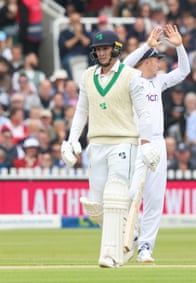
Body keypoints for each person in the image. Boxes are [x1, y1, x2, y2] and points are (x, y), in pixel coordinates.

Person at [60, 30, 160, 268]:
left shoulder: (131, 76)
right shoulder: (87, 76)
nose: (102, 53)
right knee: (96, 206)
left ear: (115, 49)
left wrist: (146, 144)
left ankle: (111, 255)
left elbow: (144, 113)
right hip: (96, 144)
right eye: (98, 49)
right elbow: (81, 110)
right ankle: (128, 234)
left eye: (106, 48)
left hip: (123, 142)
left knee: (115, 196)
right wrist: (72, 140)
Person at [122, 25, 190, 263]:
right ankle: (134, 234)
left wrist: (179, 45)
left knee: (154, 197)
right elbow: (121, 67)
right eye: (155, 60)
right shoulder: (129, 80)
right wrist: (146, 46)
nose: (159, 64)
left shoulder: (158, 82)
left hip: (158, 143)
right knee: (130, 194)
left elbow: (183, 71)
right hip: (136, 142)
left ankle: (146, 247)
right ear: (145, 61)